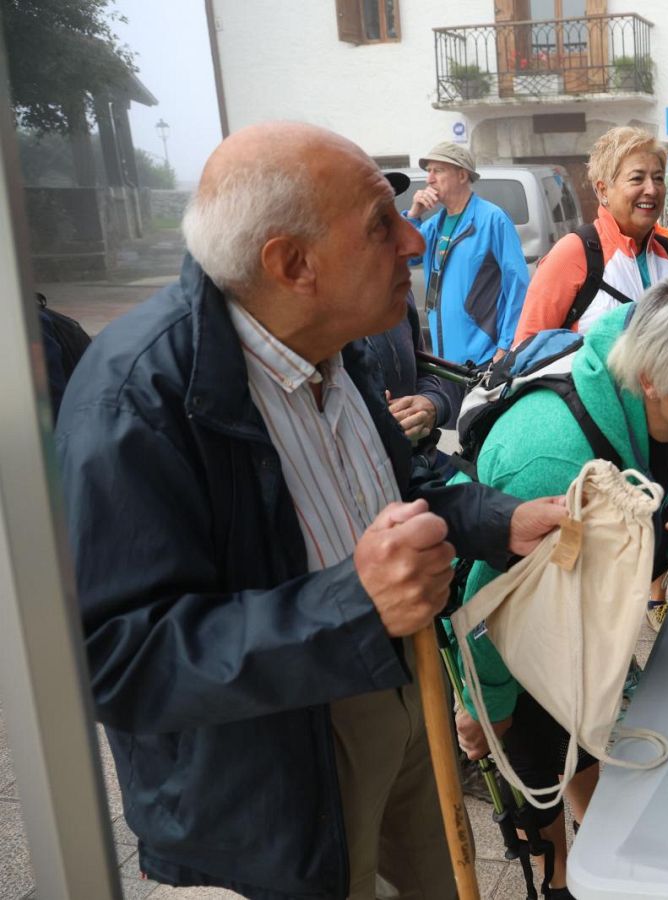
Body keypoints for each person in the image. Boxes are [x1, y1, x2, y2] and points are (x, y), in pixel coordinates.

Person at [56, 121, 565, 899]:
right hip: (279, 755)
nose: (414, 241)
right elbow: (119, 658)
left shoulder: (336, 336)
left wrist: (503, 520)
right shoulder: (138, 398)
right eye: (379, 226)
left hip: (401, 683)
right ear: (292, 265)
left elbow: (403, 486)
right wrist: (354, 605)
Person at [453, 273, 668, 898]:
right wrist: (483, 708)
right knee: (536, 774)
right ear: (651, 378)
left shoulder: (664, 416)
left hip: (577, 613)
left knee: (583, 742)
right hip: (512, 645)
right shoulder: (554, 456)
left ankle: (597, 855)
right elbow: (489, 609)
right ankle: (560, 882)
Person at [513, 126, 668, 345]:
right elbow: (527, 351)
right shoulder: (574, 253)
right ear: (603, 190)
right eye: (637, 179)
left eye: (658, 178)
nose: (651, 189)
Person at [404, 141, 529, 370]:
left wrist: (505, 346)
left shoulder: (492, 219)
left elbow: (518, 284)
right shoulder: (434, 226)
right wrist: (413, 215)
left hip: (483, 358)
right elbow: (405, 256)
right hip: (444, 360)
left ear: (462, 176)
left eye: (438, 170)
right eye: (428, 171)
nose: (429, 179)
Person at [367, 290, 460, 473]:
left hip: (427, 462)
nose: (409, 261)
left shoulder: (399, 292)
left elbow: (424, 374)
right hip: (383, 478)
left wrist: (433, 405)